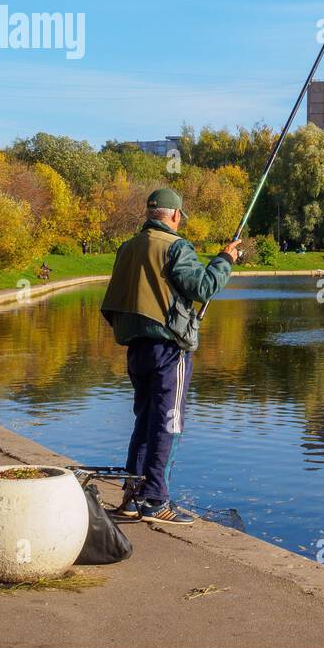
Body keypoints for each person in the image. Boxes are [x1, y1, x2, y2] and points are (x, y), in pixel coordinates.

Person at [100, 188, 241, 525]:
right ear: (175, 216)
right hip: (168, 351)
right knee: (168, 423)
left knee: (145, 421)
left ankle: (132, 498)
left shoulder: (128, 248)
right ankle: (155, 500)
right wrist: (225, 260)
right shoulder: (176, 247)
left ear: (150, 214)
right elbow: (203, 287)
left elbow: (111, 304)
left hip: (136, 349)